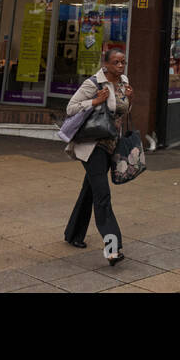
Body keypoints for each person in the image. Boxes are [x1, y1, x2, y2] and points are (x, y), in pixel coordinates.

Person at [63, 48, 132, 265]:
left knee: (91, 190)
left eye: (123, 62)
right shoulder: (93, 83)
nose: (120, 66)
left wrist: (130, 99)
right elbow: (71, 108)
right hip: (92, 146)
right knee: (103, 196)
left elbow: (121, 112)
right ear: (106, 63)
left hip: (111, 145)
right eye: (116, 62)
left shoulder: (124, 81)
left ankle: (73, 233)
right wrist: (94, 102)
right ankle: (113, 248)